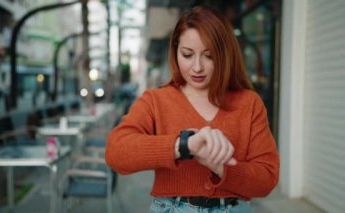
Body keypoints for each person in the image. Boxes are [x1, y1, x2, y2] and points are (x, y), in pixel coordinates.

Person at [106, 5, 279, 213]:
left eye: (209, 56)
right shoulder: (156, 100)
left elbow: (267, 178)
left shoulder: (248, 103)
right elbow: (116, 152)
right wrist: (185, 145)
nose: (197, 67)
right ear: (176, 51)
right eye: (187, 55)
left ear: (225, 55)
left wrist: (220, 167)